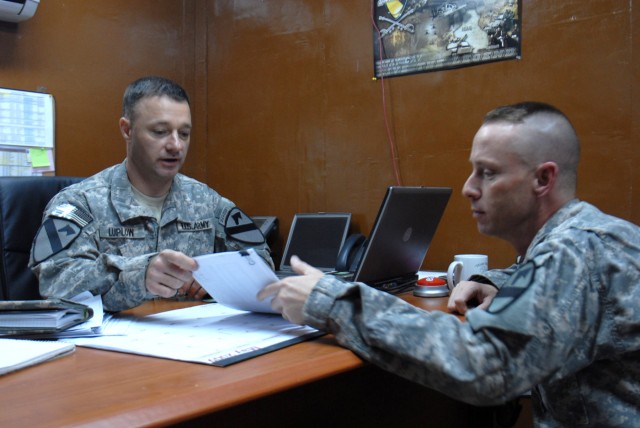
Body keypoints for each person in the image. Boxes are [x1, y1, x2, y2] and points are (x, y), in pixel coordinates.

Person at [258, 102, 640, 427]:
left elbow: (486, 365)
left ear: (543, 179)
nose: (469, 188)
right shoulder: (588, 238)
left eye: (488, 173)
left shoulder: (575, 252)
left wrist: (331, 299)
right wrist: (495, 279)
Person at [30, 76, 273, 312]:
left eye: (184, 134)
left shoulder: (206, 201)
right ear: (127, 130)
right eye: (160, 131)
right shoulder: (80, 204)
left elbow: (261, 262)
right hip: (111, 347)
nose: (176, 145)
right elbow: (55, 280)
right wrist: (139, 275)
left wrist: (219, 277)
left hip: (193, 341)